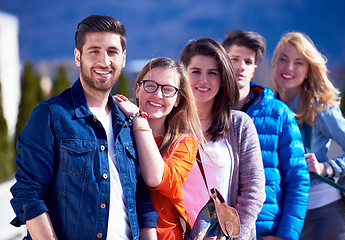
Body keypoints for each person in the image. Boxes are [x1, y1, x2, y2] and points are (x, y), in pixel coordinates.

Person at [10, 15, 158, 239]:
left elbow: (142, 200)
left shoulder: (128, 124)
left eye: (112, 51)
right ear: (78, 56)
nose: (104, 60)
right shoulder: (50, 116)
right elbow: (28, 194)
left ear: (124, 58)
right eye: (94, 51)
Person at [222, 30, 310, 240]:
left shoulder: (279, 113)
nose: (241, 66)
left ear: (254, 70)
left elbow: (298, 179)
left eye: (248, 61)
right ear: (222, 61)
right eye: (234, 59)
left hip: (265, 230)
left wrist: (285, 235)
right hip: (217, 227)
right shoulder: (207, 112)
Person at [272, 32, 345, 240]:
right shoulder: (267, 107)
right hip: (284, 218)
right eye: (283, 59)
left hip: (324, 213)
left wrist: (326, 167)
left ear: (309, 69)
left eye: (299, 62)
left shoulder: (320, 108)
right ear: (273, 64)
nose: (289, 68)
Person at [180, 38, 266, 239]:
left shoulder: (239, 125)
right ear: (182, 75)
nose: (203, 80)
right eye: (195, 72)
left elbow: (254, 192)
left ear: (223, 79)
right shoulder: (169, 124)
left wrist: (235, 235)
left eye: (212, 73)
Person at [114, 57, 203, 239]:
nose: (158, 94)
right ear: (138, 89)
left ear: (177, 99)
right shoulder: (116, 131)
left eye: (168, 90)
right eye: (150, 85)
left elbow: (155, 177)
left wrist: (138, 118)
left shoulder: (184, 143)